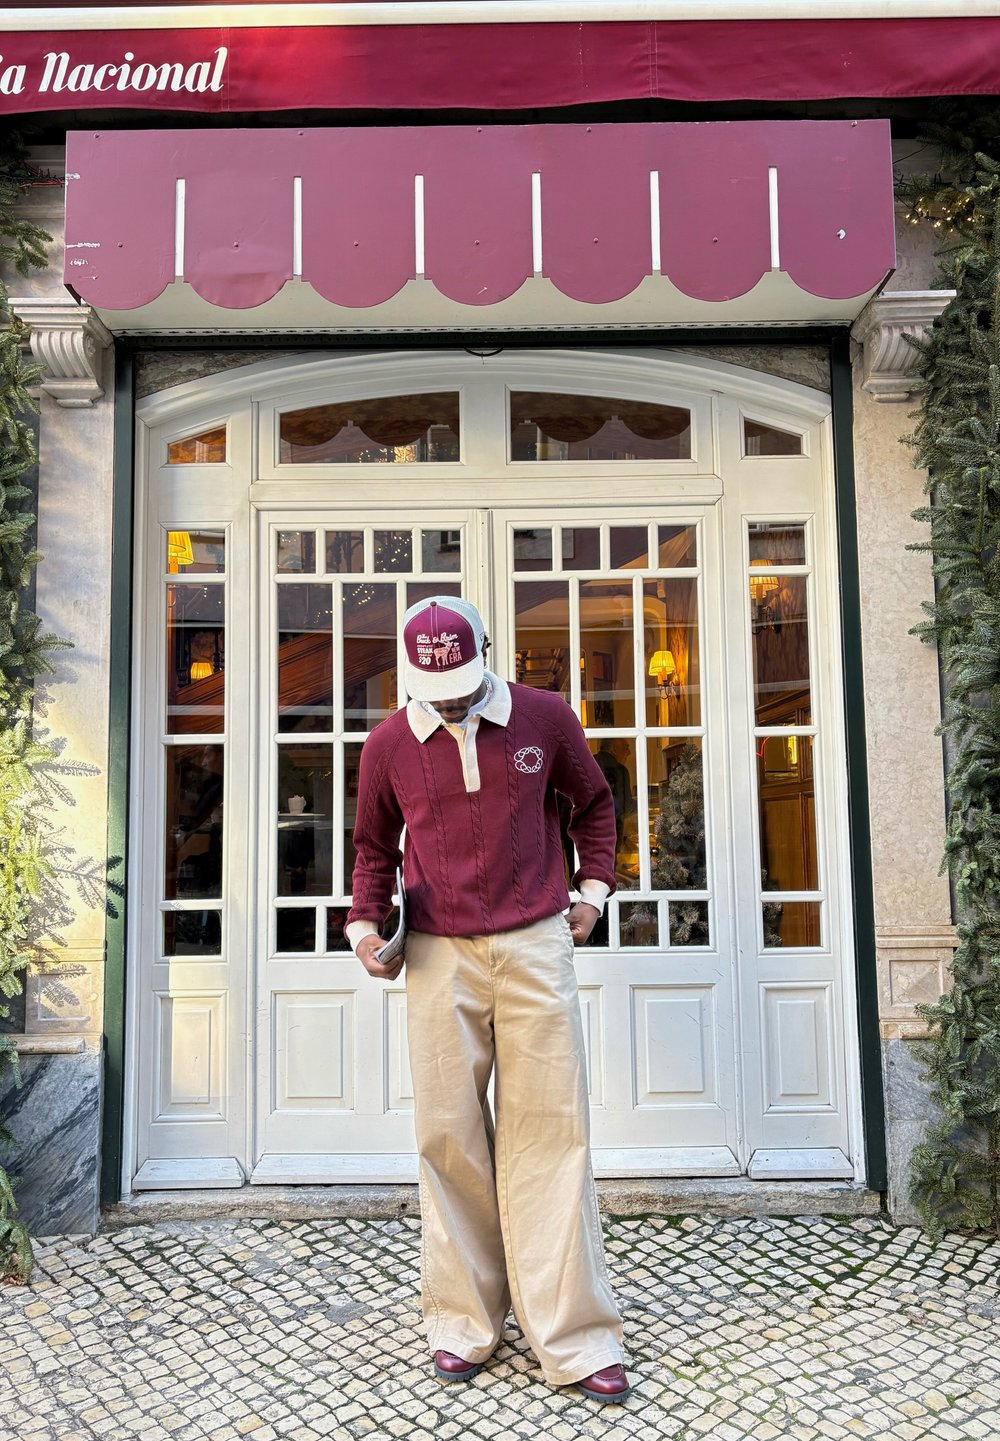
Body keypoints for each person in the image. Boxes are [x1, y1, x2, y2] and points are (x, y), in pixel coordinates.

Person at [346, 596, 631, 1404]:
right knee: (450, 1138)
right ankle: (463, 1321)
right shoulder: (389, 744)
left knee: (552, 1132)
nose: (451, 699)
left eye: (463, 681)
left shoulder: (545, 717)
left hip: (538, 941)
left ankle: (573, 1337)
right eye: (435, 686)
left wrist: (594, 890)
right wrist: (368, 930)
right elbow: (373, 848)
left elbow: (596, 805)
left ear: (486, 655)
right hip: (437, 953)